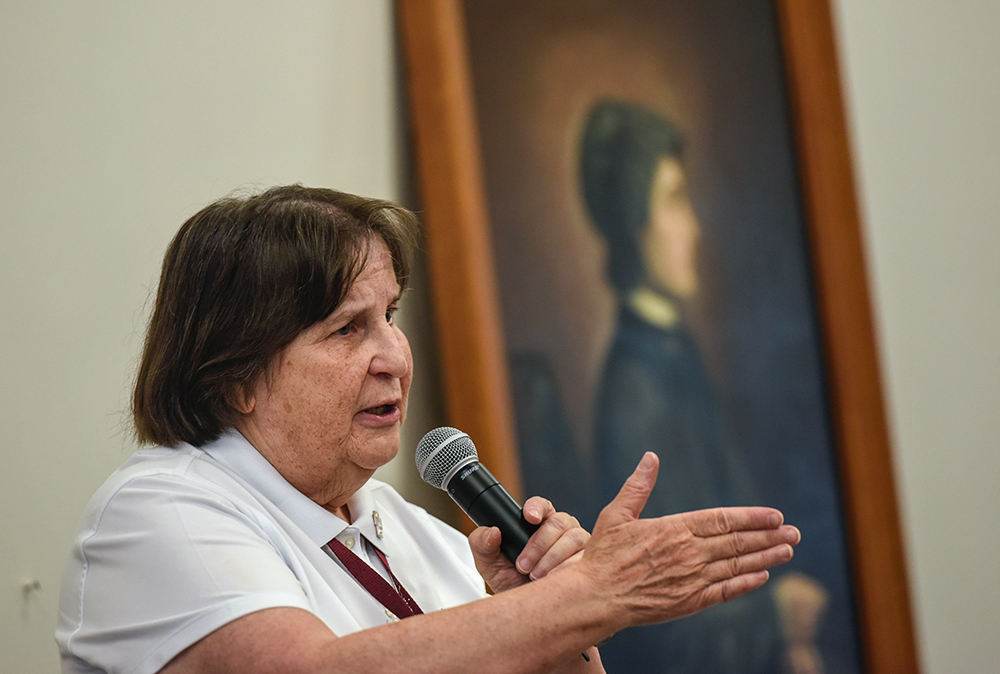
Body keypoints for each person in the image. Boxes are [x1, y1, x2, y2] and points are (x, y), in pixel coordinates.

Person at [56, 185, 800, 674]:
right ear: (236, 378)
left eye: (392, 316)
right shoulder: (158, 511)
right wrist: (593, 595)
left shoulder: (406, 528)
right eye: (348, 329)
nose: (394, 358)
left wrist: (552, 626)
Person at [581, 100, 828, 673]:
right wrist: (775, 619)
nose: (692, 226)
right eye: (673, 200)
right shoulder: (635, 386)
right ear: (633, 220)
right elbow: (657, 607)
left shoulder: (675, 351)